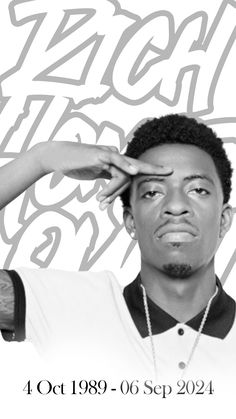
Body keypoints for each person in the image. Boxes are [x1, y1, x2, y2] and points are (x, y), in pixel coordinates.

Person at [0, 114, 235, 384]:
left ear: (224, 220)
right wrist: (41, 158)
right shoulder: (71, 304)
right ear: (131, 222)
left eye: (197, 189)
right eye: (153, 192)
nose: (176, 205)